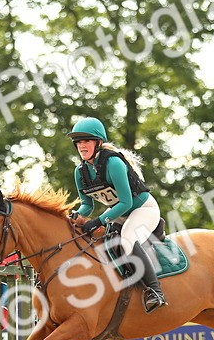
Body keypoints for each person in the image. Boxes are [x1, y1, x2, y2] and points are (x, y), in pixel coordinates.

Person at [67, 117, 168, 313]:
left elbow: (126, 202)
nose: (81, 146)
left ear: (98, 142)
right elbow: (87, 205)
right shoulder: (80, 172)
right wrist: (74, 215)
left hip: (143, 209)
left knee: (127, 239)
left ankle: (155, 292)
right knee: (101, 243)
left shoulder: (113, 163)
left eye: (86, 141)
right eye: (78, 142)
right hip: (119, 212)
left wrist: (98, 221)